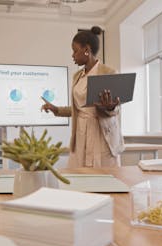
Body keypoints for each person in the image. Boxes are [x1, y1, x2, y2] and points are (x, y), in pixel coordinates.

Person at [41, 26, 124, 168]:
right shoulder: (77, 76)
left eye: (75, 51)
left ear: (86, 50)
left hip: (102, 134)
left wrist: (110, 107)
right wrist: (57, 110)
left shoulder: (108, 72)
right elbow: (79, 109)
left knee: (103, 178)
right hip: (80, 134)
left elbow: (115, 108)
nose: (72, 55)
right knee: (77, 176)